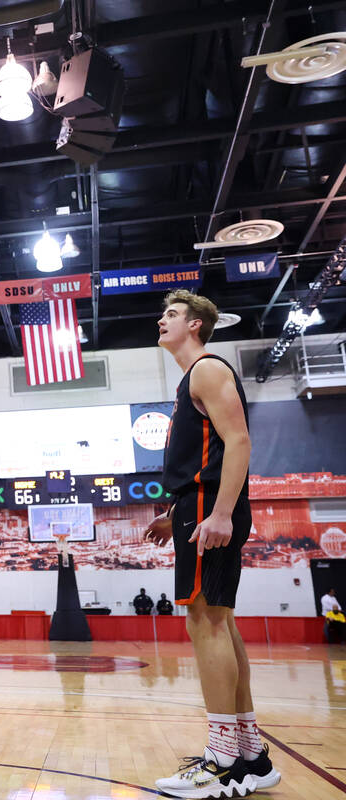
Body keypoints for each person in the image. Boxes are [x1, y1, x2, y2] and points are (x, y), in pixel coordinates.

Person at [146, 290, 278, 797]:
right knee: (220, 622)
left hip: (210, 508)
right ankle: (249, 754)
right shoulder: (192, 377)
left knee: (205, 621)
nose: (162, 320)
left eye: (173, 314)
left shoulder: (206, 369)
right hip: (196, 507)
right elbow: (210, 455)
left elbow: (239, 441)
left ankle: (222, 760)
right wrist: (175, 512)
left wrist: (219, 511)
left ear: (197, 325)